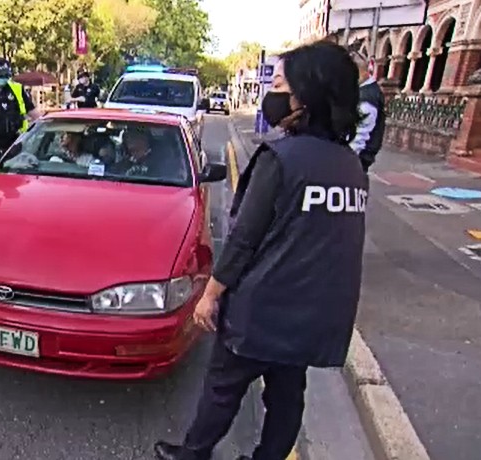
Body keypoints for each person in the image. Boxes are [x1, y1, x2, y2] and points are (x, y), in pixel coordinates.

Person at [154, 40, 367, 460]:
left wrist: (210, 296)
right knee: (287, 395)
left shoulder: (281, 158)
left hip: (263, 310)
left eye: (281, 83)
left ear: (305, 95)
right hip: (314, 312)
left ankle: (193, 453)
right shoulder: (350, 166)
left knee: (223, 387)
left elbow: (243, 238)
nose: (273, 92)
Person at [0, 57, 42, 165]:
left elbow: (34, 113)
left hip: (15, 143)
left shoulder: (17, 89)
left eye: (7, 75)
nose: (5, 79)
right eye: (2, 75)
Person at [349, 49, 385, 173]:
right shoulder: (365, 92)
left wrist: (342, 162)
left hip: (356, 162)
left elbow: (358, 138)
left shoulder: (367, 98)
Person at [110, 127, 176, 179]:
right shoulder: (124, 162)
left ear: (143, 139)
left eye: (133, 135)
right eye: (127, 136)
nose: (128, 139)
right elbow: (112, 174)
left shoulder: (161, 162)